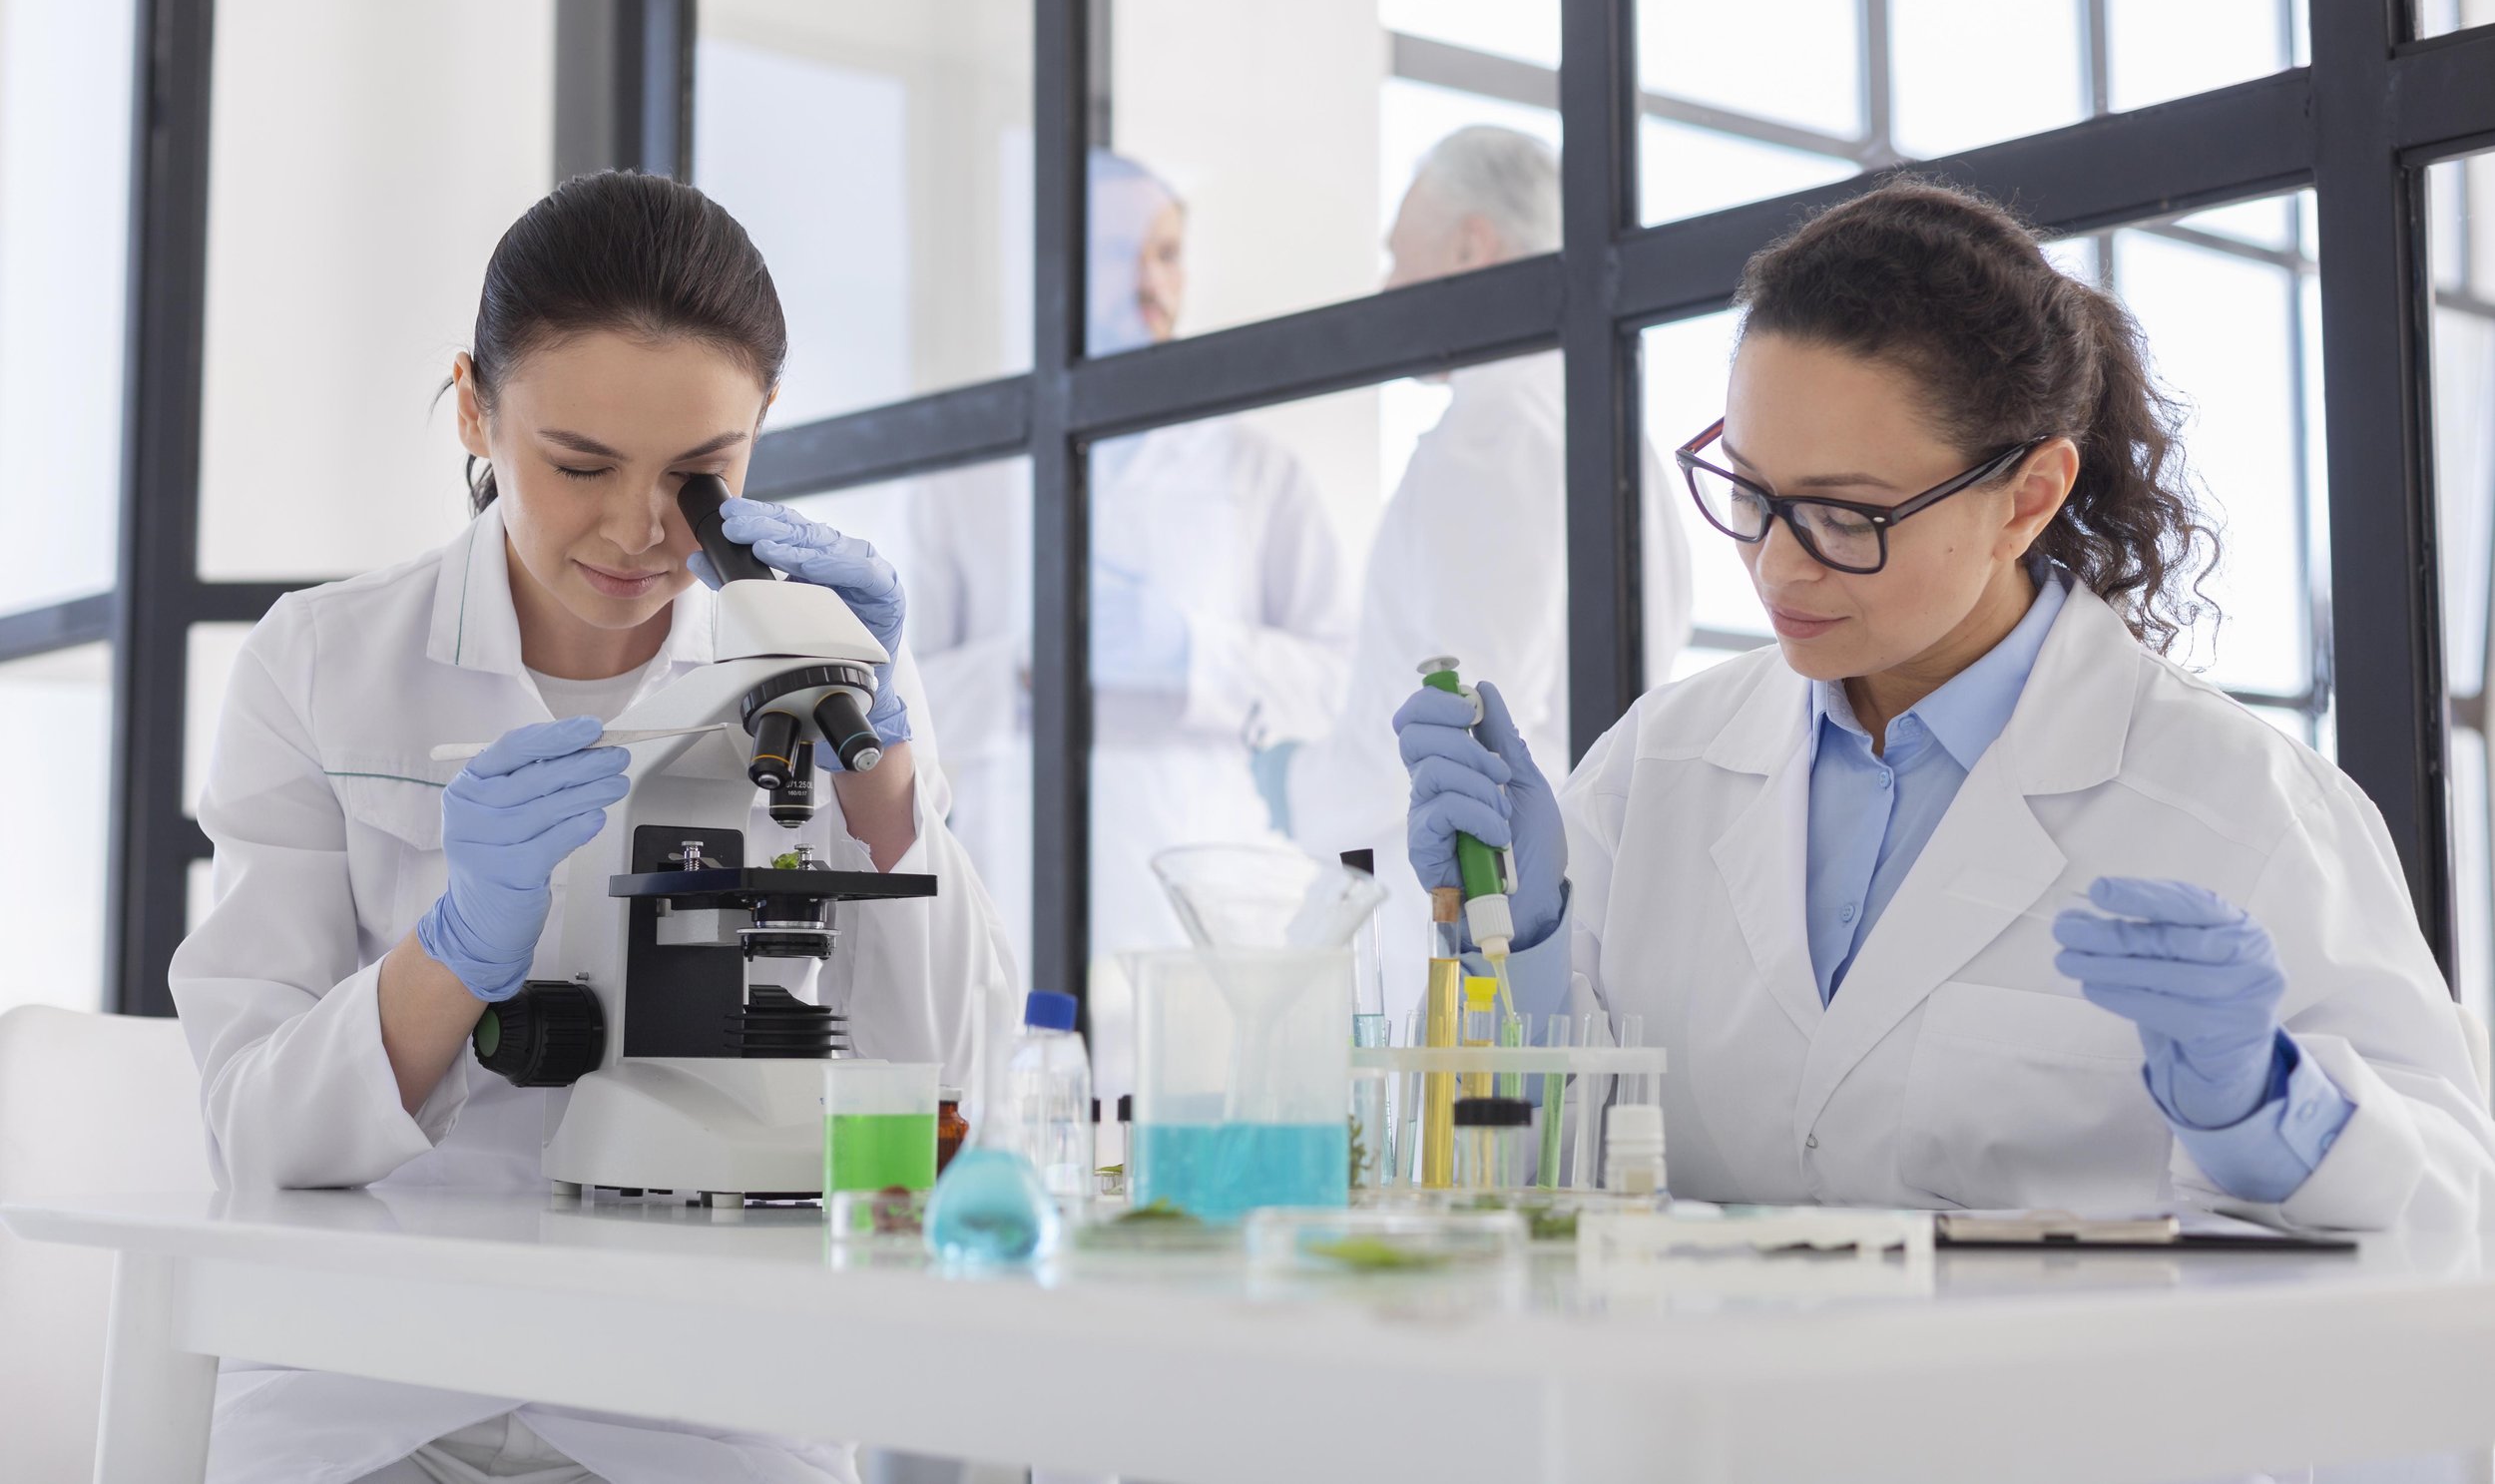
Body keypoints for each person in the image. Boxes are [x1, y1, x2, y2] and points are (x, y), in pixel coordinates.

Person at [1395, 178, 2495, 1232]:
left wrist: (2262, 1104)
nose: (1778, 567)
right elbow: (1521, 1183)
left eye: (1844, 514)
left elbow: (2451, 1212)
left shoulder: (2241, 804)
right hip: (1715, 1420)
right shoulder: (1657, 768)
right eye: (1750, 491)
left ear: (2029, 495)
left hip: (2051, 1423)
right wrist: (1515, 938)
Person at [170, 172, 1009, 1483]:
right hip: (365, 1383)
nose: (637, 527)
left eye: (699, 474)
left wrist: (885, 778)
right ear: (475, 407)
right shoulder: (323, 663)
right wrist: (449, 957)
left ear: (762, 428)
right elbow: (260, 1136)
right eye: (579, 464)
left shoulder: (834, 683)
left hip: (705, 1395)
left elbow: (948, 1100)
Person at [906, 150, 1352, 1092]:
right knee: (1019, 1143)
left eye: (1167, 253)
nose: (1151, 282)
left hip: (1193, 894)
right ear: (1053, 269)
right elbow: (893, 700)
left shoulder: (1256, 472)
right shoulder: (965, 468)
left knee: (1183, 1164)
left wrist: (1194, 653)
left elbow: (1335, 678)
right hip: (1015, 883)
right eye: (1121, 252)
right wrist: (1023, 666)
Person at [1255, 126, 1693, 1027]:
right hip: (1572, 904)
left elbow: (1459, 737)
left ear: (1470, 248)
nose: (1384, 285)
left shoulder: (1489, 437)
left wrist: (1294, 780)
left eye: (1395, 252)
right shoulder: (1605, 431)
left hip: (1454, 920)